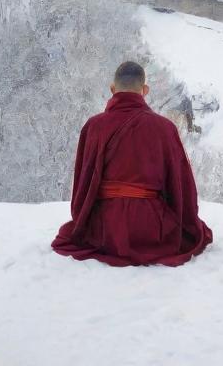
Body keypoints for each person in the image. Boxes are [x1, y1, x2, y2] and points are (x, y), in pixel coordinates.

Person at [51, 60, 213, 267]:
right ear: (145, 90)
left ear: (112, 89)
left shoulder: (94, 126)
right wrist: (186, 224)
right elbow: (182, 188)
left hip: (105, 230)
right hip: (151, 228)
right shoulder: (165, 128)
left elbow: (82, 188)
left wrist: (85, 223)